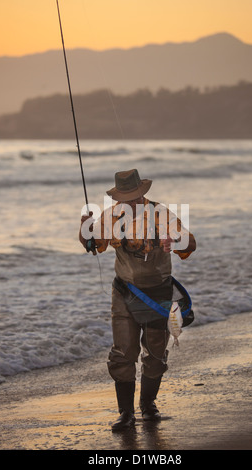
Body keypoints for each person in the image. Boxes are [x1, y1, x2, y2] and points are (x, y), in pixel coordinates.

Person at [79, 169, 196, 432]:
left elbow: (191, 242)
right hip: (124, 292)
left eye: (134, 197)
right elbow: (90, 244)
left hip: (159, 294)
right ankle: (126, 413)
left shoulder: (161, 214)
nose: (129, 202)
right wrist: (84, 226)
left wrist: (175, 242)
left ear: (142, 193)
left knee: (155, 355)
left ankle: (148, 404)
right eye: (125, 198)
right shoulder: (111, 216)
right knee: (123, 353)